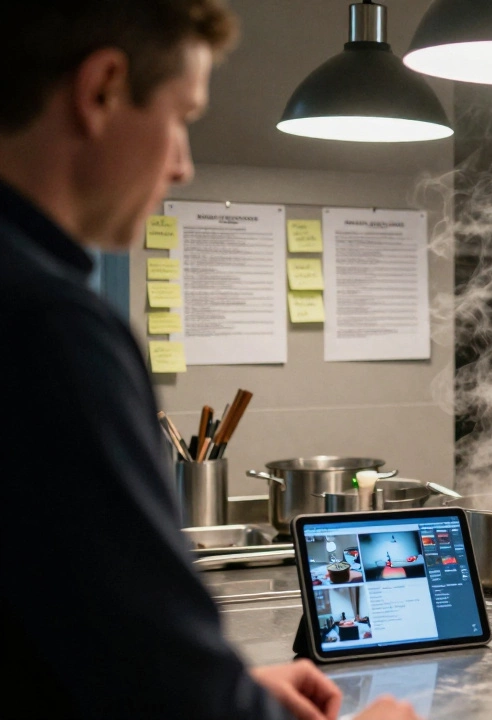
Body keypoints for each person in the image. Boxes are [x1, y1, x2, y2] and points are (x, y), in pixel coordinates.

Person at [0, 3, 419, 718]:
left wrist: (232, 688)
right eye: (182, 116)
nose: (183, 165)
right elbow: (163, 689)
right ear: (101, 88)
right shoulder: (51, 329)